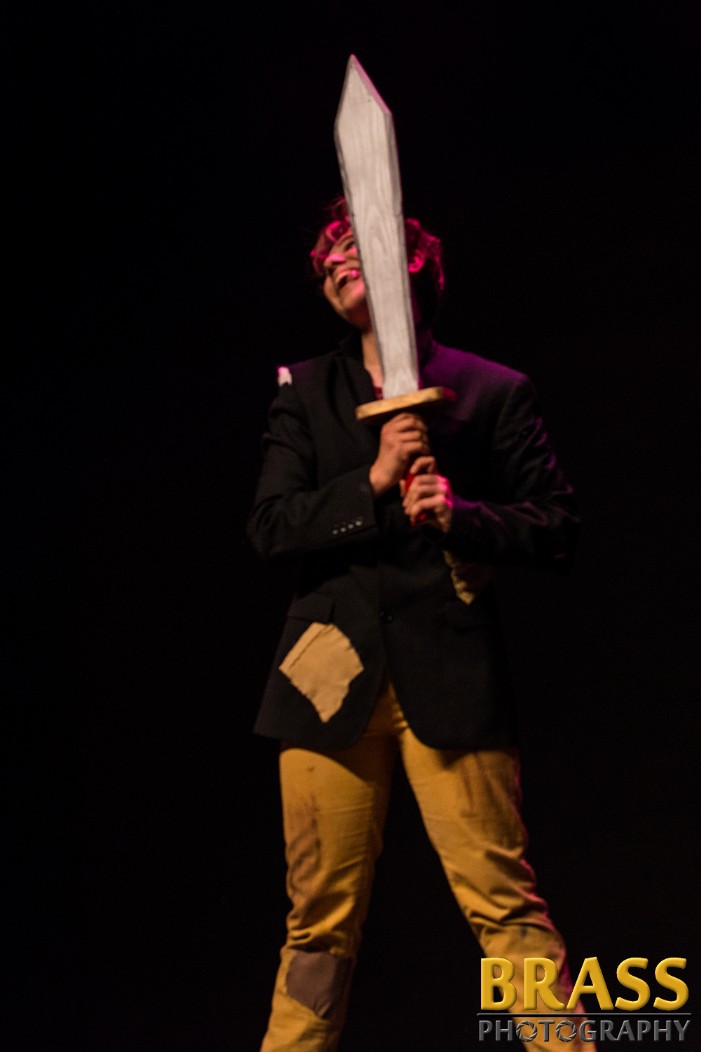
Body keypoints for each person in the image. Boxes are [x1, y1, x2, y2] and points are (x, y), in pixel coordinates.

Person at [246, 195, 596, 1051]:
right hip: (327, 680)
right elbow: (271, 526)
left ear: (412, 262)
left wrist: (461, 518)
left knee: (503, 906)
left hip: (450, 675)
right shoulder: (306, 391)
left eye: (351, 244)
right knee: (317, 924)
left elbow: (556, 525)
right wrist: (371, 482)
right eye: (325, 257)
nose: (335, 261)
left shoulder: (491, 389)